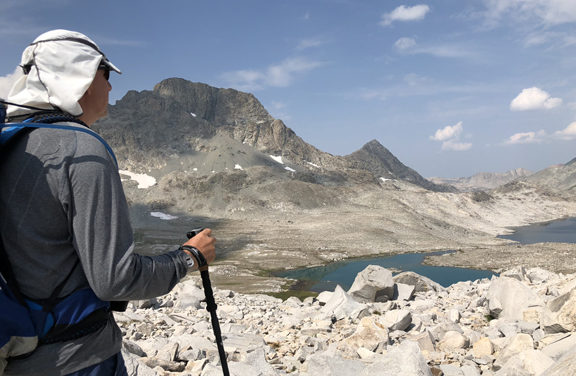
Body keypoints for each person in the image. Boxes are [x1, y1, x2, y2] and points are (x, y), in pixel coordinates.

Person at [0, 29, 216, 375]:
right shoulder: (81, 149)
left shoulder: (12, 141)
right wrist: (188, 258)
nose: (111, 87)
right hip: (78, 360)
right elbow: (115, 279)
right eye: (105, 73)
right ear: (80, 75)